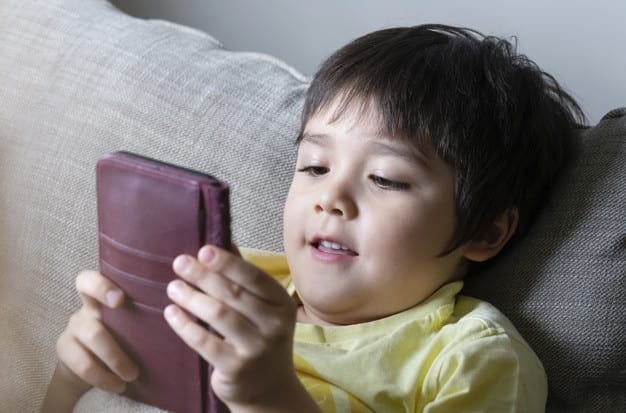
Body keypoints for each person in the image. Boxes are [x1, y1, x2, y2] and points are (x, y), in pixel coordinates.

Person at [41, 24, 585, 412]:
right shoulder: (234, 281)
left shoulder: (468, 357)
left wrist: (269, 396)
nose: (331, 199)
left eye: (386, 179)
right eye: (316, 166)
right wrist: (74, 377)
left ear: (486, 230)